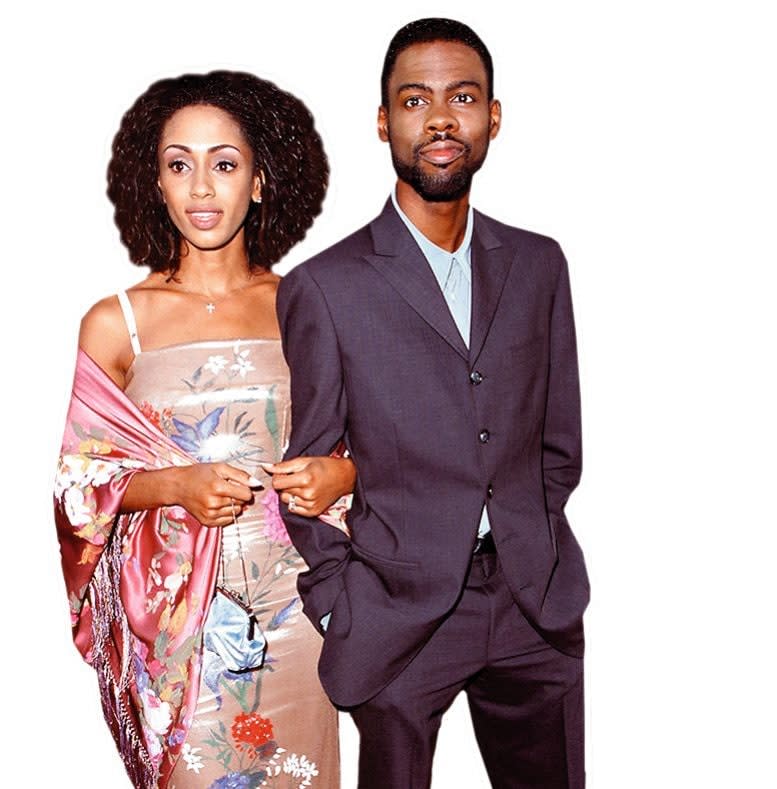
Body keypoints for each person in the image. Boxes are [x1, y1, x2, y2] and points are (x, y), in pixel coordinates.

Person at [277, 18, 589, 789]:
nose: (441, 119)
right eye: (415, 100)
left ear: (492, 117)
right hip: (396, 618)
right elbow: (306, 470)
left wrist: (540, 551)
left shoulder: (539, 264)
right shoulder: (326, 286)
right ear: (384, 122)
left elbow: (558, 443)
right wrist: (336, 605)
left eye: (462, 98)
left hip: (531, 608)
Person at [54, 71, 354, 789]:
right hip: (187, 629)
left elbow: (380, 446)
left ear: (258, 181)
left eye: (223, 163)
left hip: (301, 610)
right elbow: (76, 486)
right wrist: (178, 485)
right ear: (154, 182)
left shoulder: (308, 306)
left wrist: (345, 473)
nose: (200, 186)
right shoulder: (116, 322)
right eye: (178, 164)